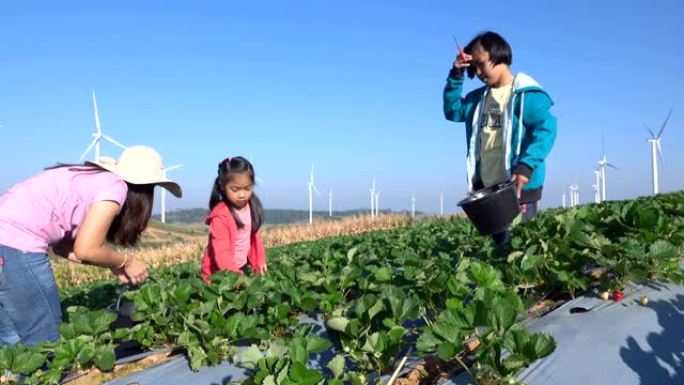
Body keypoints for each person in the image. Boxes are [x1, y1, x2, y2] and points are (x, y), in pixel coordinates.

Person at [0, 146, 182, 346]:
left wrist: (113, 264)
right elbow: (86, 249)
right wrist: (127, 261)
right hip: (16, 244)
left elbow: (63, 247)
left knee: (11, 338)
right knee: (43, 339)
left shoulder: (90, 179)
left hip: (7, 243)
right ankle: (37, 377)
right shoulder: (116, 187)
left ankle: (14, 376)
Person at [444, 31, 557, 246]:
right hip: (488, 190)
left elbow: (546, 130)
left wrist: (526, 166)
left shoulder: (526, 95)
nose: (477, 72)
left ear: (498, 55)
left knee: (521, 251)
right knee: (499, 251)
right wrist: (456, 74)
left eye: (481, 64)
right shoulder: (476, 100)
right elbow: (452, 111)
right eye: (473, 67)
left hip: (518, 187)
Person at [200, 156, 267, 284]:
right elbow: (221, 252)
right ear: (222, 186)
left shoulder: (250, 206)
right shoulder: (220, 216)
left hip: (240, 268)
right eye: (235, 189)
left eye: (247, 188)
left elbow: (254, 235)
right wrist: (236, 278)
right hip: (217, 275)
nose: (242, 195)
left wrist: (259, 259)